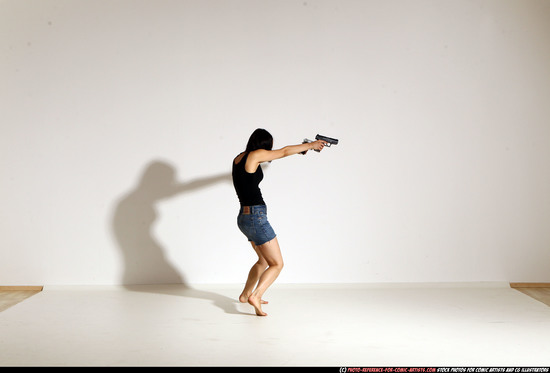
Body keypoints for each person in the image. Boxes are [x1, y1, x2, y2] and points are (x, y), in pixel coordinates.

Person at [232, 128, 326, 316]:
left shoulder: (239, 158)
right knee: (277, 264)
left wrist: (300, 149)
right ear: (263, 146)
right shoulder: (256, 155)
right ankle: (256, 296)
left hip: (244, 217)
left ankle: (245, 295)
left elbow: (278, 154)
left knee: (263, 261)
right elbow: (283, 151)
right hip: (255, 217)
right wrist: (311, 145)